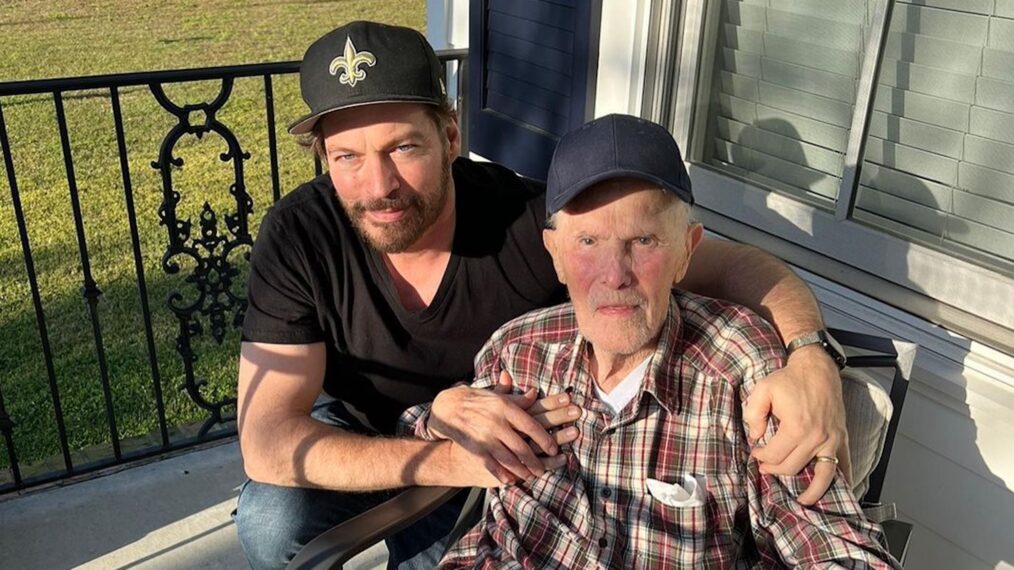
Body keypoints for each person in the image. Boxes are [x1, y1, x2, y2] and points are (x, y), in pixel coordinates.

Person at [235, 20, 851, 570]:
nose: (379, 186)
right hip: (408, 433)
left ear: (450, 135)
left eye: (404, 147)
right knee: (269, 521)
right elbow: (266, 441)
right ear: (322, 156)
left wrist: (810, 355)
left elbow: (736, 265)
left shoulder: (537, 225)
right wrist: (446, 455)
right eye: (347, 156)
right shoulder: (300, 233)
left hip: (494, 440)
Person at [401, 114, 898, 569]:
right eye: (588, 242)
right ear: (555, 254)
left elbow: (832, 545)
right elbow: (423, 427)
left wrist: (813, 356)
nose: (614, 277)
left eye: (643, 242)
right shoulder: (521, 348)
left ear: (687, 251)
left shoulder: (742, 366)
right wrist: (441, 411)